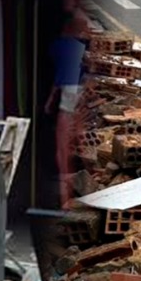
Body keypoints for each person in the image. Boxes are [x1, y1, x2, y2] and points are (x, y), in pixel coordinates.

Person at [46, 11, 89, 206]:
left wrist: (49, 101)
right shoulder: (82, 47)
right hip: (81, 94)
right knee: (79, 138)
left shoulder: (59, 46)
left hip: (69, 96)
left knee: (62, 144)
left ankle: (65, 189)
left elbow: (59, 77)